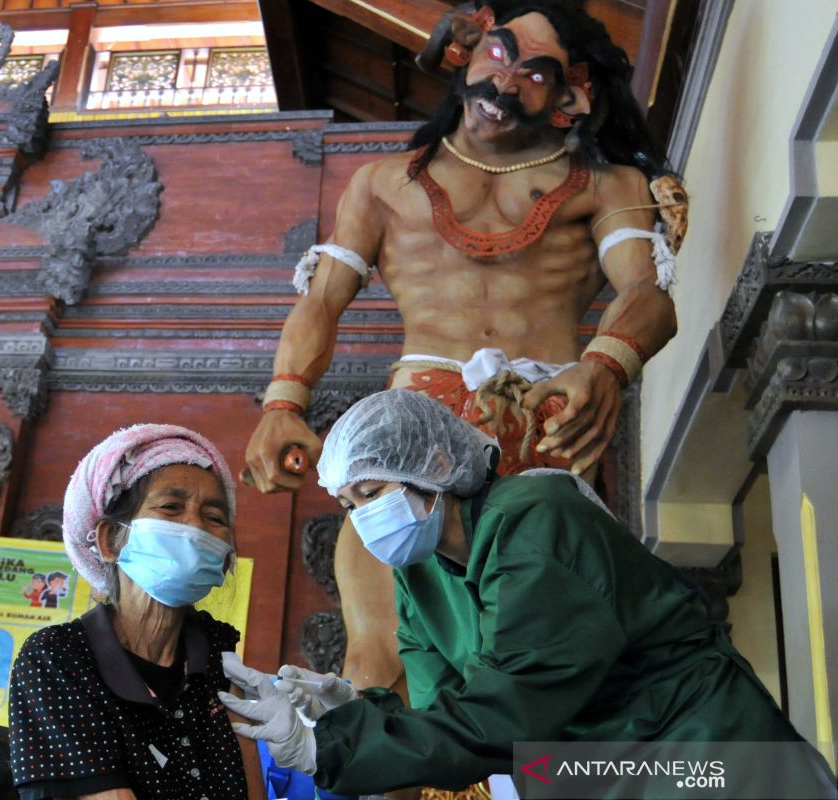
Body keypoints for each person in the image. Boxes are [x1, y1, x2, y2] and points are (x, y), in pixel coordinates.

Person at [244, 0, 685, 766]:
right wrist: (283, 401)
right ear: (464, 54)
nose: (505, 79)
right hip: (403, 446)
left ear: (572, 96)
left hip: (541, 440)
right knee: (376, 666)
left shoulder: (603, 186)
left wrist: (607, 363)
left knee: (539, 682)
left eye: (534, 72)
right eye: (499, 54)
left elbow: (647, 295)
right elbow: (320, 300)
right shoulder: (383, 185)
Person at [223, 390, 834, 797]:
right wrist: (347, 707)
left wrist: (323, 746)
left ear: (434, 461)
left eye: (372, 492)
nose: (363, 520)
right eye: (350, 505)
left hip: (696, 751)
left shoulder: (538, 520)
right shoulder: (421, 572)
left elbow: (503, 714)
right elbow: (448, 715)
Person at [8, 425, 267, 800]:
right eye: (171, 508)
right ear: (111, 540)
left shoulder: (217, 652)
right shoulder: (57, 659)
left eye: (214, 516)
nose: (195, 526)